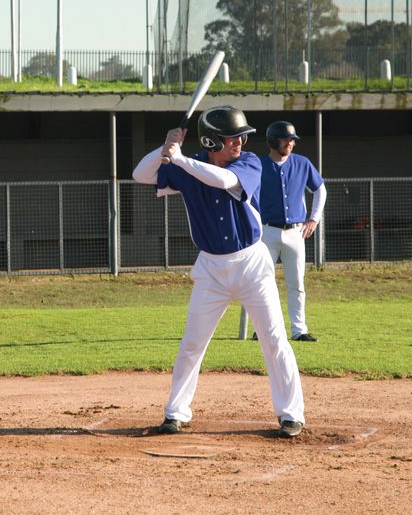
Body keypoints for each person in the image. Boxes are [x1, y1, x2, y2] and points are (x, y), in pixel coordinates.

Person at [132, 105, 306, 438]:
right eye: (232, 139)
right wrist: (165, 147)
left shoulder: (248, 163)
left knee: (274, 340)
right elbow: (140, 174)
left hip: (252, 264)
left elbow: (225, 180)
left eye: (241, 137)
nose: (239, 144)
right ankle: (176, 412)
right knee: (192, 344)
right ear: (212, 142)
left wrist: (179, 158)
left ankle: (291, 414)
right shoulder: (189, 165)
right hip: (211, 269)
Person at [258, 121, 326, 342]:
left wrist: (314, 219)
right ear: (272, 140)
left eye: (292, 139)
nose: (291, 143)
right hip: (267, 232)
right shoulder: (259, 166)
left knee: (296, 284)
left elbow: (320, 190)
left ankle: (299, 330)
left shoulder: (302, 163)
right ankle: (263, 329)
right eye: (286, 138)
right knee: (261, 282)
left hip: (295, 232)